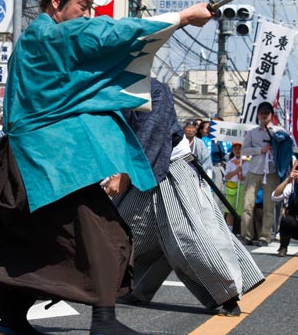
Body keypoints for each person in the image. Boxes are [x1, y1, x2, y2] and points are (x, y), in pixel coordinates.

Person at [0, 0, 213, 335]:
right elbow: (109, 34)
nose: (88, 14)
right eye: (84, 5)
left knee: (27, 243)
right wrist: (183, 16)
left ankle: (14, 318)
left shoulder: (39, 38)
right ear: (57, 0)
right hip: (47, 164)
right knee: (105, 233)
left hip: (35, 163)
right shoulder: (52, 37)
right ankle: (103, 318)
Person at [113, 80, 264, 317]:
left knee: (188, 235)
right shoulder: (114, 88)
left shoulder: (155, 89)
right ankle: (134, 288)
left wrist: (124, 175)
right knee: (126, 228)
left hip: (171, 169)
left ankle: (227, 292)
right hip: (141, 171)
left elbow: (151, 137)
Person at [241, 102, 284, 246]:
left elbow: (287, 149)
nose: (264, 116)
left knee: (269, 206)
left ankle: (265, 236)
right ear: (258, 115)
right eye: (261, 114)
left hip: (271, 172)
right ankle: (246, 234)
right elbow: (244, 150)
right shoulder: (252, 133)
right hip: (254, 171)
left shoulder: (279, 131)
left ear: (272, 115)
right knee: (247, 204)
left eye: (267, 114)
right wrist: (260, 150)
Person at [223, 142, 246, 229]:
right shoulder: (230, 162)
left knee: (242, 210)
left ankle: (240, 230)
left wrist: (242, 177)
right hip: (232, 187)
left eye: (239, 148)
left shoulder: (247, 162)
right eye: (235, 148)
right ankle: (230, 231)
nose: (237, 150)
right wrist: (236, 171)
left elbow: (248, 177)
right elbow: (226, 176)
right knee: (229, 210)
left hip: (242, 187)